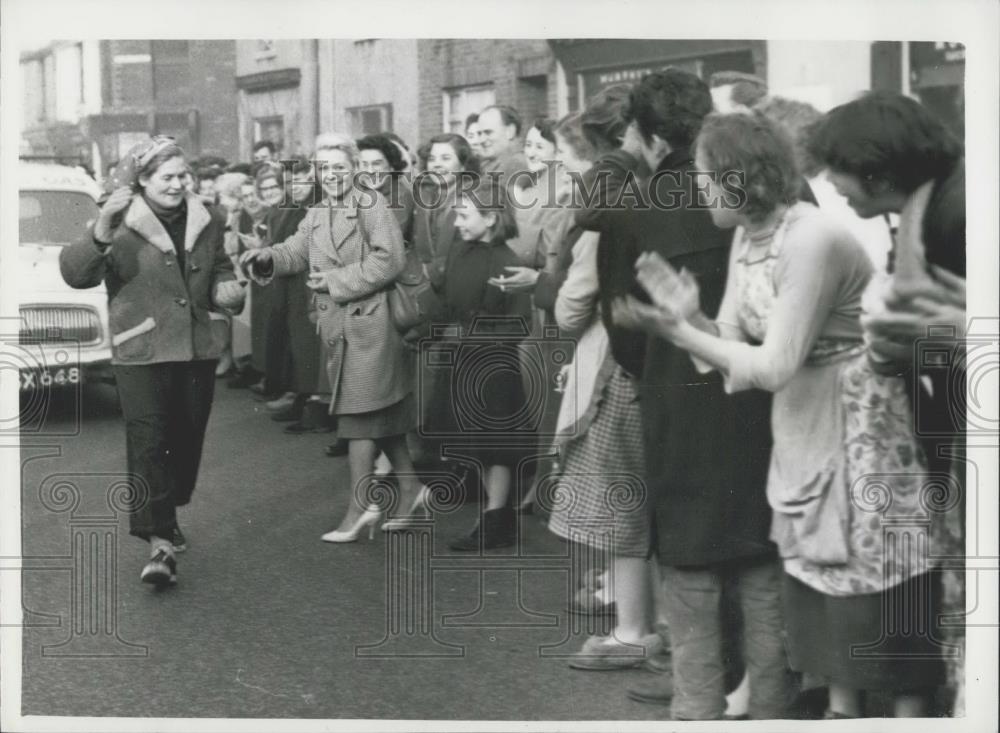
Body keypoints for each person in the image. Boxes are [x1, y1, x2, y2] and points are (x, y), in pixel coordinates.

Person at [619, 110, 947, 718]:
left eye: (706, 174)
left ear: (741, 178)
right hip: (802, 419)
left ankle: (910, 710)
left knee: (874, 568)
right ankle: (842, 707)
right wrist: (688, 317)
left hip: (862, 421)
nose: (697, 186)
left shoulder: (811, 237)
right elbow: (729, 350)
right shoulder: (749, 233)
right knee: (822, 575)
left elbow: (771, 366)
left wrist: (683, 335)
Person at [598, 72, 783, 720]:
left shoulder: (630, 209)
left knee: (691, 565)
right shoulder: (769, 192)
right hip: (768, 397)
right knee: (763, 555)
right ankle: (771, 702)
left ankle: (698, 700)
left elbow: (620, 332)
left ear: (648, 139)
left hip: (678, 404)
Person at [807, 91, 966, 715]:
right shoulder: (935, 204)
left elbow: (959, 329)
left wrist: (938, 338)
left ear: (877, 169)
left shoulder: (957, 214)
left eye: (836, 169)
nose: (831, 184)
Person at [59, 136, 245, 586]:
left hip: (197, 348)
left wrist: (228, 287)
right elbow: (75, 274)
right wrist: (102, 227)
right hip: (141, 350)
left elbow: (220, 265)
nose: (178, 185)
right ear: (142, 180)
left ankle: (166, 508)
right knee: (149, 442)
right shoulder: (119, 218)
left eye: (184, 176)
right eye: (167, 177)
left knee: (186, 438)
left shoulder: (209, 216)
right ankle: (159, 543)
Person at [239, 134, 425, 543]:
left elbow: (390, 259)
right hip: (343, 325)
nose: (332, 175)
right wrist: (268, 256)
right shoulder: (320, 210)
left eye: (339, 167)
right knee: (382, 416)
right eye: (324, 169)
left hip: (373, 324)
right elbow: (296, 250)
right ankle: (411, 489)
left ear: (355, 168)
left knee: (357, 416)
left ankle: (362, 506)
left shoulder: (370, 204)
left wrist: (338, 279)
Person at [537, 112, 660, 669]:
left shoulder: (603, 210)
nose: (563, 168)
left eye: (566, 158)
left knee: (618, 494)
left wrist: (552, 293)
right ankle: (639, 614)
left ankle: (633, 625)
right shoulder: (658, 191)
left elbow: (572, 305)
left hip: (609, 358)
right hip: (650, 356)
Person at [432, 179, 534, 551]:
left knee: (496, 446)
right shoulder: (461, 252)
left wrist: (472, 335)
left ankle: (496, 521)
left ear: (491, 219)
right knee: (477, 442)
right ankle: (496, 518)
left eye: (464, 215)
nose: (457, 223)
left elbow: (521, 323)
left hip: (491, 365)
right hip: (461, 355)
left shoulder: (508, 262)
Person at [476, 104, 529, 182]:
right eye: (480, 134)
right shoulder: (489, 164)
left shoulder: (516, 165)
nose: (482, 140)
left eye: (488, 132)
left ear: (510, 132)